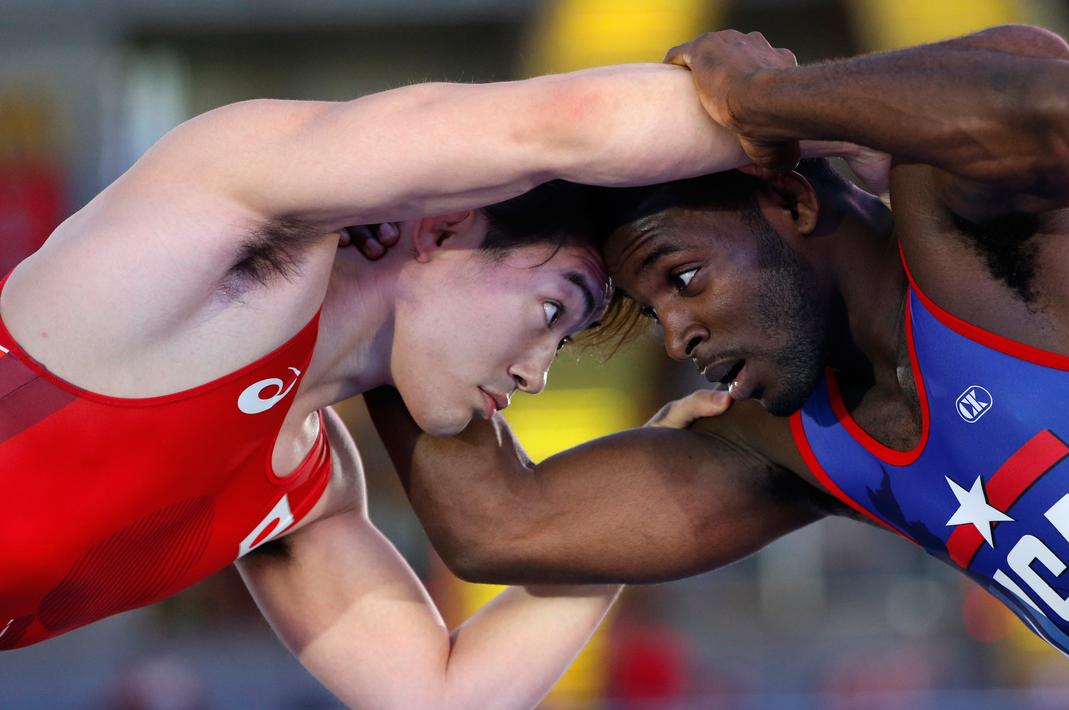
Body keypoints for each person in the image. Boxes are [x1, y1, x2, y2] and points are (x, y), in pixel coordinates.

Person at [364, 25, 1069, 708]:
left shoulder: (966, 236)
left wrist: (763, 100)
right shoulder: (794, 443)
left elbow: (1044, 95)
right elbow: (500, 527)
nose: (677, 338)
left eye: (684, 278)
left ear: (790, 197)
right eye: (656, 310)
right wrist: (389, 287)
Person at [0, 62, 756, 707]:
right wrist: (807, 116)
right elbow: (566, 122)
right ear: (444, 228)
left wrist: (639, 497)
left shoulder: (309, 493)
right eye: (552, 311)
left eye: (560, 341)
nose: (535, 374)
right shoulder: (230, 228)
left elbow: (441, 696)